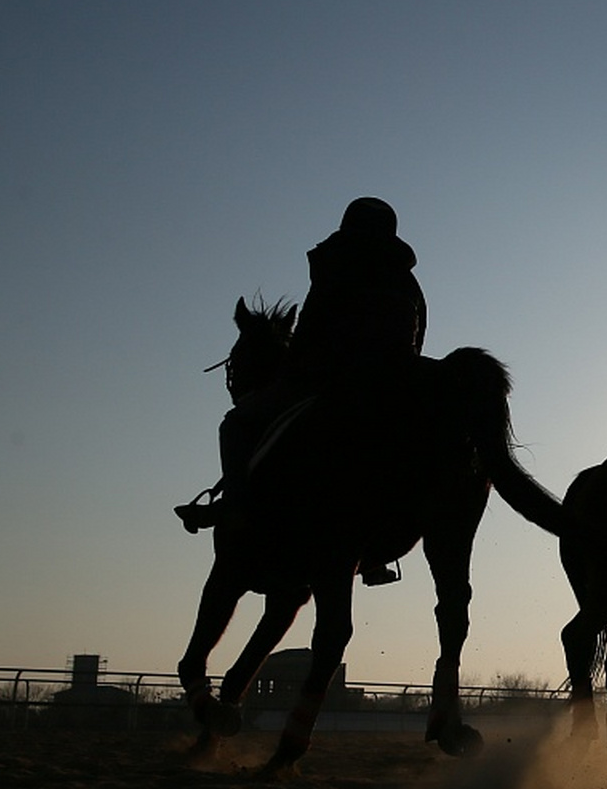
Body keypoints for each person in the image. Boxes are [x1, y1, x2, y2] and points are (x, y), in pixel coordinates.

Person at [173, 198, 427, 568]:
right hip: (396, 378)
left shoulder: (336, 263)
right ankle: (377, 555)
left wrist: (295, 369)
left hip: (334, 377)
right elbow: (418, 338)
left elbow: (310, 329)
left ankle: (235, 509)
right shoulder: (408, 281)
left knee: (236, 422)